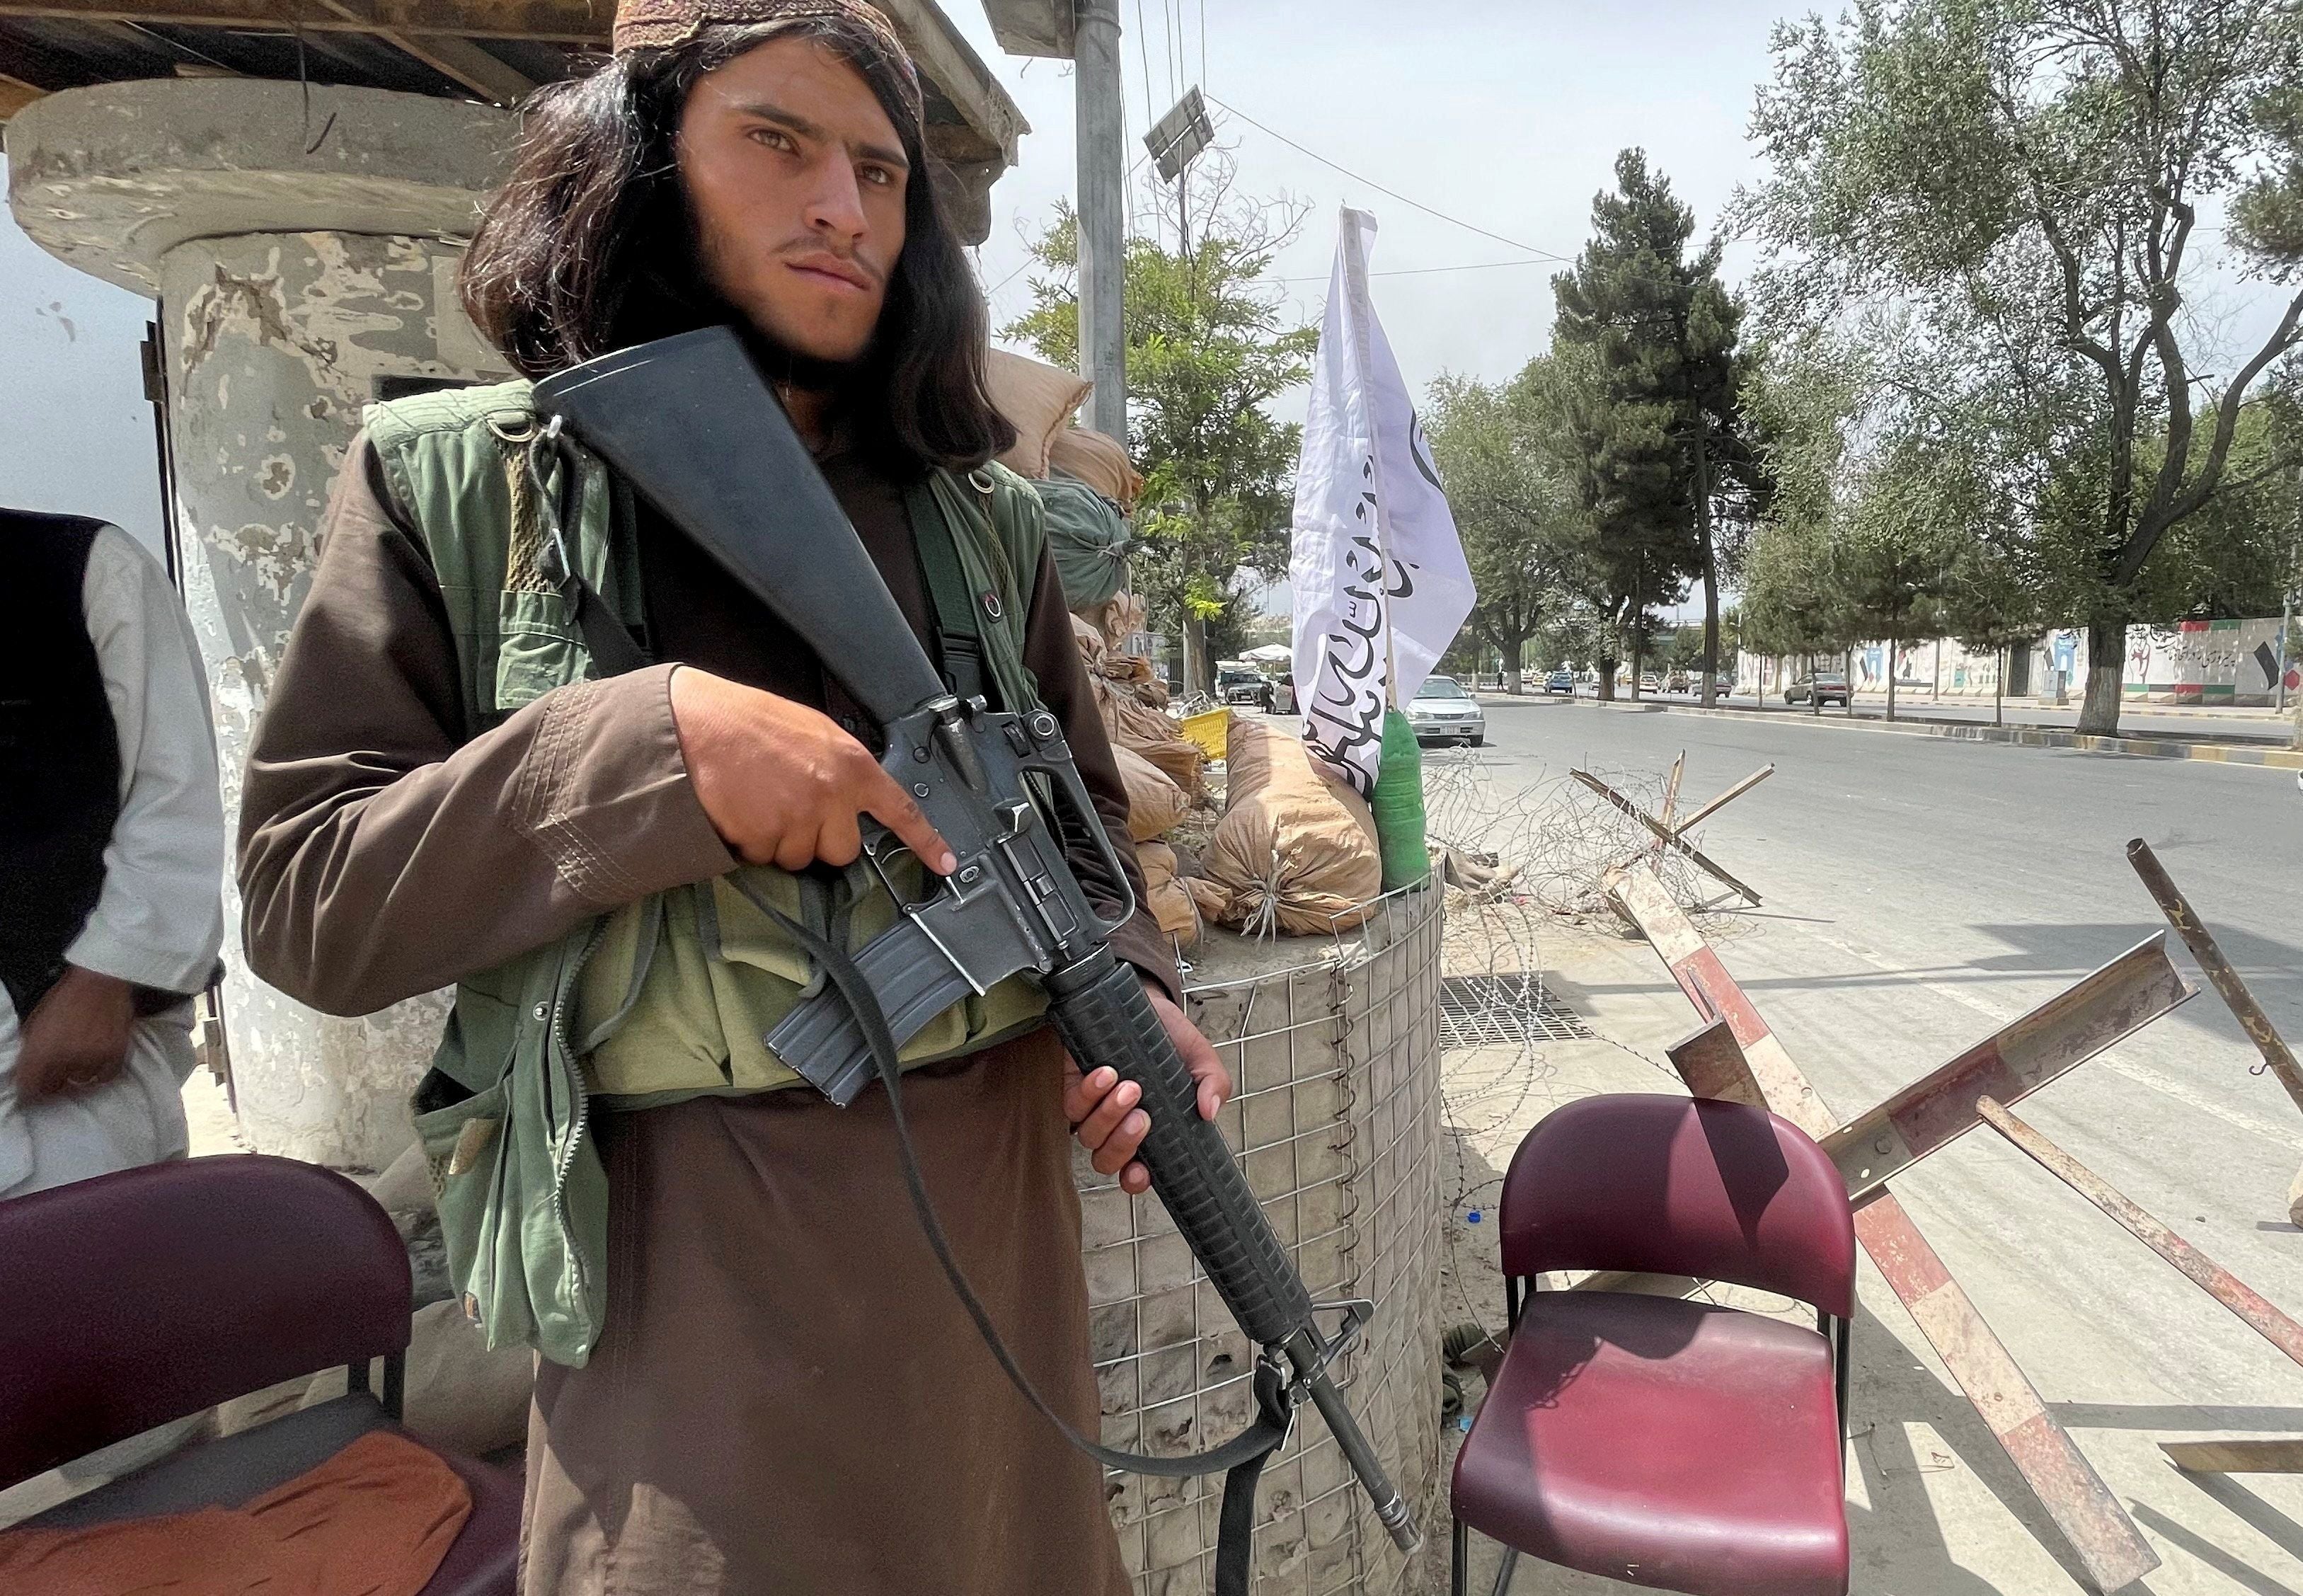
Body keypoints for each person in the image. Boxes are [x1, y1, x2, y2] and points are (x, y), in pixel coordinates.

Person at [234, 4, 1229, 1592]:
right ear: (637, 165)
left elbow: (1087, 832)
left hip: (998, 1298)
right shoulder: (463, 490)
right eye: (777, 140)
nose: (844, 204)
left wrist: (1142, 993)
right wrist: (636, 754)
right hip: (690, 1320)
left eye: (882, 169)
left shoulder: (983, 522)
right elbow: (302, 899)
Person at [1, 509, 223, 1202]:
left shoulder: (80, 568)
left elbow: (173, 789)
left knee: (94, 1293)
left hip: (60, 1091)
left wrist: (110, 974)